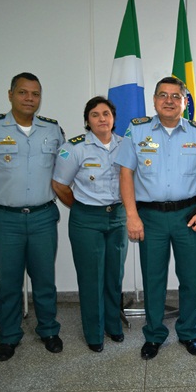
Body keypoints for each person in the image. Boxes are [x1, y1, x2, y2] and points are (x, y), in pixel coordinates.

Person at [115, 77, 196, 359]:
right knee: (153, 279)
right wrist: (131, 215)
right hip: (150, 217)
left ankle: (188, 332)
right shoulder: (137, 131)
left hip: (188, 216)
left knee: (189, 278)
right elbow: (125, 173)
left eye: (176, 96)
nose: (169, 101)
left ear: (185, 102)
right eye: (163, 95)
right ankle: (154, 334)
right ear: (154, 100)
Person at [0, 72, 64, 361]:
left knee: (45, 279)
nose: (29, 98)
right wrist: (4, 190)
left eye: (35, 94)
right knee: (9, 282)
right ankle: (9, 336)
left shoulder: (52, 130)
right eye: (23, 92)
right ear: (10, 94)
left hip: (43, 217)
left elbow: (62, 170)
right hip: (5, 219)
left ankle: (48, 330)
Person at [52, 96, 127, 353]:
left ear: (113, 118)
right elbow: (59, 185)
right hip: (87, 219)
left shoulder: (126, 145)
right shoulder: (74, 148)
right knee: (91, 278)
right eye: (95, 114)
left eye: (106, 114)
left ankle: (113, 324)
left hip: (118, 217)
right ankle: (94, 332)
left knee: (114, 275)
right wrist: (80, 208)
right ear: (87, 120)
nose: (102, 119)